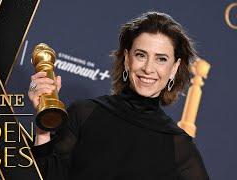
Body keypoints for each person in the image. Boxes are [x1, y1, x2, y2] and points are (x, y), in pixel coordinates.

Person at [28, 11, 209, 180]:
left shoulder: (179, 146)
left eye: (161, 59)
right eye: (141, 55)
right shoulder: (84, 113)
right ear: (127, 59)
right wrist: (43, 129)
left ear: (174, 69)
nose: (148, 68)